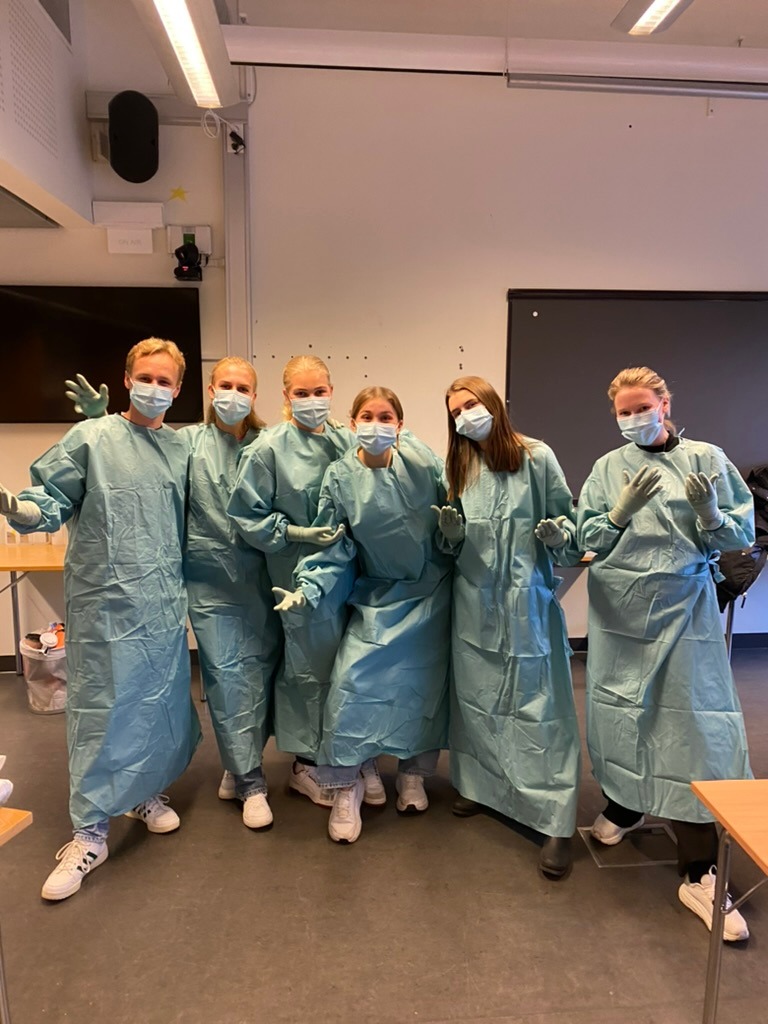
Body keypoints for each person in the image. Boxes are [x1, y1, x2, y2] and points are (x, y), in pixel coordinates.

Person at [0, 339, 201, 901]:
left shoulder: (181, 449)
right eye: (146, 377)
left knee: (157, 701)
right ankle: (89, 833)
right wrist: (22, 509)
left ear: (179, 389)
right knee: (101, 707)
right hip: (106, 602)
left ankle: (141, 794)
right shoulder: (92, 437)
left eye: (165, 380)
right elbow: (52, 498)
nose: (155, 388)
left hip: (160, 602)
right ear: (127, 378)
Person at [578, 365, 754, 940]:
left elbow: (739, 537)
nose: (634, 418)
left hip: (684, 608)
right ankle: (627, 804)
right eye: (623, 412)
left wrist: (711, 515)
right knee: (621, 713)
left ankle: (700, 870)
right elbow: (587, 539)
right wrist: (618, 512)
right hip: (620, 610)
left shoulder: (707, 459)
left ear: (665, 404)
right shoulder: (608, 468)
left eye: (642, 407)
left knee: (691, 727)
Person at [66, 359, 282, 829]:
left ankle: (240, 767)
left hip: (269, 584)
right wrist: (99, 423)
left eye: (242, 387)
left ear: (255, 395)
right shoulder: (188, 444)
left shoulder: (270, 443)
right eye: (224, 385)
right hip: (211, 584)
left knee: (266, 679)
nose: (232, 394)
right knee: (229, 678)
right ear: (209, 390)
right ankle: (250, 779)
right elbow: (133, 457)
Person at [274, 387, 451, 844]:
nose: (377, 424)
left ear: (400, 424)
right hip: (377, 594)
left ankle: (413, 776)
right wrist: (308, 587)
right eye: (367, 416)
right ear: (352, 423)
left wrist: (454, 533)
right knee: (351, 686)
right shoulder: (340, 476)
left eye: (386, 416)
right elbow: (332, 544)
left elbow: (452, 517)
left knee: (423, 691)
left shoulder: (423, 462)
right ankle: (345, 786)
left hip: (430, 592)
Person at [435, 376, 582, 880]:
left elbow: (569, 530)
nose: (465, 416)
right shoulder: (459, 465)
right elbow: (451, 543)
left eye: (471, 404)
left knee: (539, 707)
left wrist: (559, 534)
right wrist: (451, 535)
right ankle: (482, 788)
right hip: (474, 603)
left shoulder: (536, 457)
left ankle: (555, 818)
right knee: (478, 701)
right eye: (456, 411)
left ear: (494, 404)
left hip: (525, 603)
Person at [228, 356, 384, 807]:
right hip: (298, 576)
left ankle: (355, 753)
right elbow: (246, 515)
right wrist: (298, 533)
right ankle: (307, 765)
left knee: (353, 666)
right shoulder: (268, 449)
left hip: (354, 572)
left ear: (332, 392)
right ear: (286, 396)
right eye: (302, 393)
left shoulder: (345, 439)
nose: (312, 400)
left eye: (319, 392)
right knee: (310, 671)